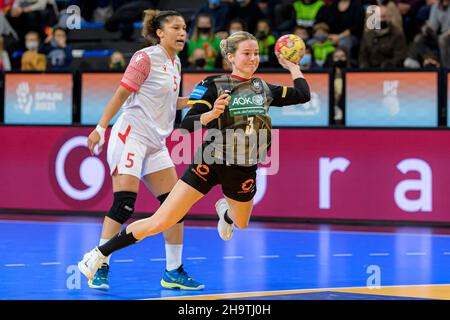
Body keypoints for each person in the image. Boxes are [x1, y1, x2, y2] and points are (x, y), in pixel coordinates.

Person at [78, 31, 311, 282]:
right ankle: (98, 255)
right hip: (208, 163)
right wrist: (210, 116)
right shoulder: (212, 84)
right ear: (231, 56)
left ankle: (226, 212)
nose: (253, 58)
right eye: (246, 53)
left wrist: (292, 66)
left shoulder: (263, 88)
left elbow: (303, 94)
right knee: (162, 219)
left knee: (241, 224)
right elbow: (186, 124)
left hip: (243, 168)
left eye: (255, 53)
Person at [83, 9, 204, 291]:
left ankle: (173, 271)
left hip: (155, 143)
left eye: (184, 27)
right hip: (131, 136)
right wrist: (100, 128)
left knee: (175, 206)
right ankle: (99, 265)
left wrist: (195, 101)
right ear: (160, 32)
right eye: (176, 27)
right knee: (124, 204)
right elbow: (121, 94)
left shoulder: (176, 63)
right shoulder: (145, 57)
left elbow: (167, 101)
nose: (182, 32)